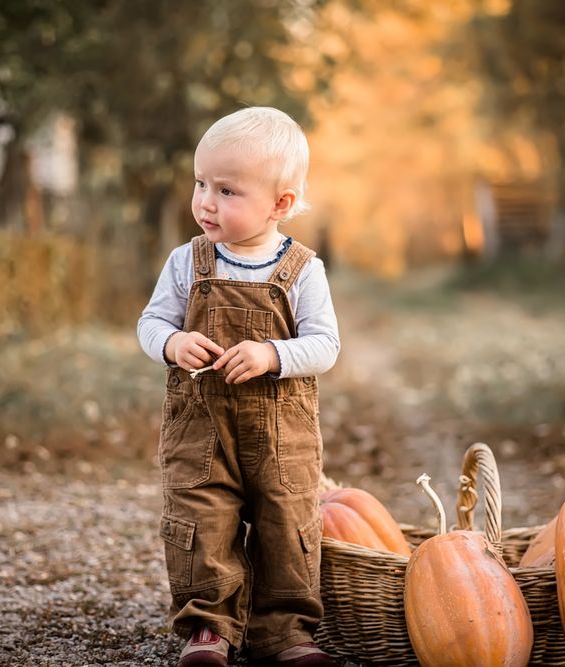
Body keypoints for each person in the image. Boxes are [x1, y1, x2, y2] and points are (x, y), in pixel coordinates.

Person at [137, 107, 340, 667]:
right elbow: (150, 324)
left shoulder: (302, 270)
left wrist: (273, 353)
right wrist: (173, 344)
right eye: (200, 183)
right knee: (202, 519)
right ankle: (210, 628)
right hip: (199, 431)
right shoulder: (187, 262)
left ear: (280, 204)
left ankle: (286, 633)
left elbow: (325, 345)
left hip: (281, 433)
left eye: (226, 190)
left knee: (287, 522)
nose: (205, 201)